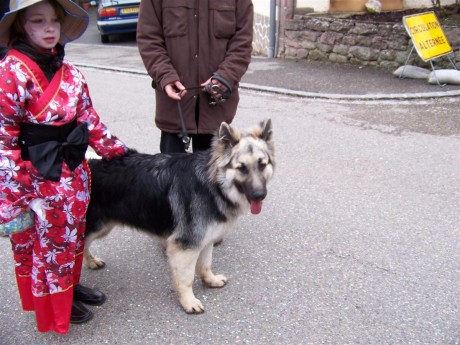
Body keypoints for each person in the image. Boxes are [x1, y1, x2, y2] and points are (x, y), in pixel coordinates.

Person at [0, 0, 128, 335]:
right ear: (20, 28)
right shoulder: (10, 72)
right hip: (35, 179)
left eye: (54, 21)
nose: (48, 28)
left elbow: (89, 118)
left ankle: (69, 286)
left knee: (71, 237)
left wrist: (116, 151)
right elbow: (4, 137)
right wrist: (17, 191)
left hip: (73, 173)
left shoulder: (70, 72)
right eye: (37, 21)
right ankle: (58, 303)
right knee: (48, 244)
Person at [137, 0, 254, 153]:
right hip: (174, 108)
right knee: (170, 176)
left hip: (216, 109)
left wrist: (225, 77)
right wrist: (165, 76)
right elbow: (149, 39)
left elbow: (242, 43)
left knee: (213, 177)